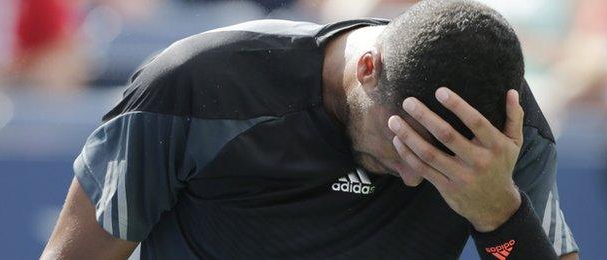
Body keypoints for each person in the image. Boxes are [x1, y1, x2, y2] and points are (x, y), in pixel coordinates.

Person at [42, 0, 579, 259]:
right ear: (368, 70)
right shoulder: (194, 85)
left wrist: (498, 215)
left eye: (445, 165)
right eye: (402, 144)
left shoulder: (507, 137)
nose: (416, 177)